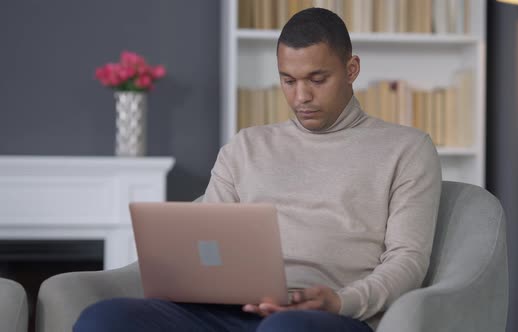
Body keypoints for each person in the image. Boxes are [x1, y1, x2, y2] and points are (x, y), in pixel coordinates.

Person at [74, 7, 441, 332]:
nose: (301, 97)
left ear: (351, 69)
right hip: (231, 311)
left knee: (285, 328)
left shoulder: (406, 148)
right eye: (288, 80)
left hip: (329, 316)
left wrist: (342, 301)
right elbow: (204, 241)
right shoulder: (246, 147)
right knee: (102, 319)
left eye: (317, 79)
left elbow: (407, 260)